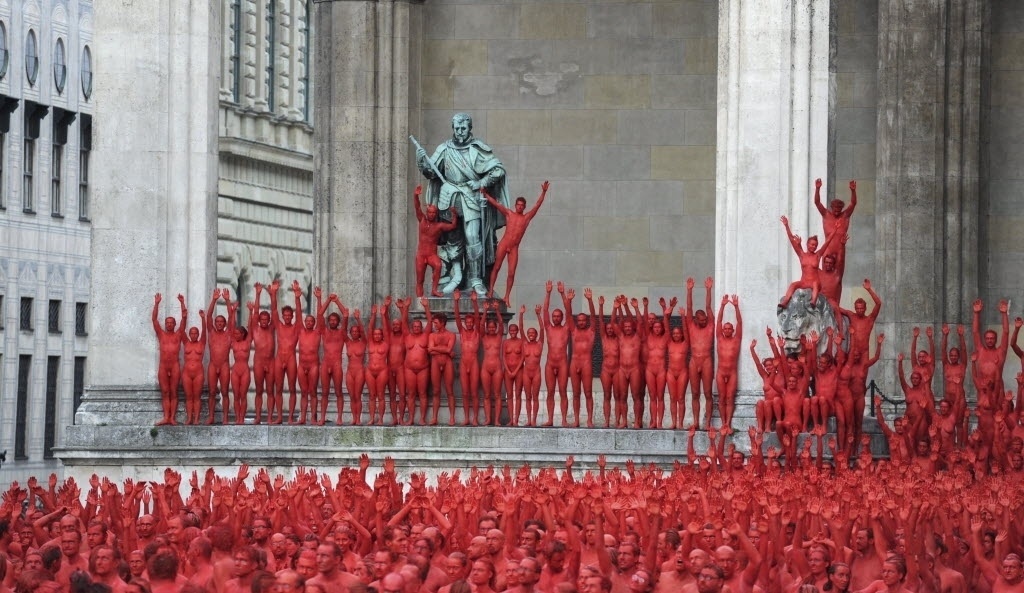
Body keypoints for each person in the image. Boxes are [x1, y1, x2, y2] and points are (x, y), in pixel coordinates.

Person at [415, 113, 512, 296]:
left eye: (463, 128)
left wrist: (480, 183)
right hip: (448, 196)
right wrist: (421, 161)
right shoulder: (444, 148)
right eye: (457, 128)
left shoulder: (478, 148)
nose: (460, 132)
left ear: (469, 128)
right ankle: (456, 276)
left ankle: (475, 279)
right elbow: (431, 172)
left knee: (472, 237)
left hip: (470, 196)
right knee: (453, 239)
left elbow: (498, 170)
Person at [482, 181, 549, 306]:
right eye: (518, 205)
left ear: (524, 207)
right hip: (504, 244)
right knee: (496, 267)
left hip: (514, 248)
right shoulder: (509, 214)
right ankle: (490, 290)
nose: (519, 207)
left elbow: (537, 205)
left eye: (521, 205)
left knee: (511, 273)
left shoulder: (526, 218)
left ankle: (507, 296)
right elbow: (496, 204)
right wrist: (485, 195)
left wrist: (544, 192)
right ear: (515, 205)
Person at [780, 215, 840, 309]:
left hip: (814, 283)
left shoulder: (818, 255)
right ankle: (785, 301)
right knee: (793, 284)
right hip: (804, 282)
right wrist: (787, 225)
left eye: (815, 245)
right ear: (807, 244)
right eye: (812, 244)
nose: (814, 247)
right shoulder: (801, 255)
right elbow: (792, 240)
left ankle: (813, 301)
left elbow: (827, 242)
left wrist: (835, 230)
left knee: (816, 284)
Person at [413, 185, 459, 298]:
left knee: (438, 265)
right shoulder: (422, 220)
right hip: (421, 254)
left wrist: (454, 214)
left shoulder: (439, 226)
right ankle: (420, 299)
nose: (431, 214)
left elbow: (453, 226)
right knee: (420, 280)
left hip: (431, 254)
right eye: (430, 212)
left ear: (436, 214)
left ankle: (434, 290)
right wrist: (415, 196)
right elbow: (417, 207)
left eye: (434, 213)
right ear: (427, 212)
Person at [270, 280, 304, 424]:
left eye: (290, 315)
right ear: (283, 316)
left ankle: (290, 416)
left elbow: (300, 314)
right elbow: (273, 310)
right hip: (279, 358)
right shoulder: (278, 325)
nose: (288, 317)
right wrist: (274, 293)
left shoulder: (296, 327)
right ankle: (279, 416)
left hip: (290, 358)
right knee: (278, 388)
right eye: (286, 315)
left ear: (292, 316)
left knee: (291, 388)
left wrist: (297, 297)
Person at [566, 288, 599, 428]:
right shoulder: (573, 331)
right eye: (578, 320)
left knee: (588, 393)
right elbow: (568, 315)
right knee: (576, 393)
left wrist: (590, 300)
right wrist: (569, 301)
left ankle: (590, 419)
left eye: (583, 320)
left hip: (586, 363)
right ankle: (577, 419)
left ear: (586, 321)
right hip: (574, 363)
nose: (581, 322)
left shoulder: (591, 331)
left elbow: (593, 316)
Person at [152, 293, 186, 426]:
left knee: (174, 391)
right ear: (165, 324)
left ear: (174, 324)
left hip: (175, 365)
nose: (169, 324)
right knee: (165, 392)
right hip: (163, 366)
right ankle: (166, 417)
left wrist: (182, 303)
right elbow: (154, 320)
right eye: (167, 323)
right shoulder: (161, 334)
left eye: (172, 323)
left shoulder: (178, 334)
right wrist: (157, 304)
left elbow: (184, 319)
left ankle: (172, 417)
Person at [685, 278, 715, 430]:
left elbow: (708, 306)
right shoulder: (691, 325)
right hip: (694, 360)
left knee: (708, 393)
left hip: (706, 360)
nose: (704, 322)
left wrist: (708, 289)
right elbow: (689, 308)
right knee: (695, 393)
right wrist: (689, 290)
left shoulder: (710, 325)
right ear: (696, 319)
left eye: (705, 320)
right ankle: (696, 421)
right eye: (701, 320)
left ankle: (708, 422)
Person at [542, 281, 572, 427]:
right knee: (550, 392)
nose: (555, 318)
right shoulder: (548, 328)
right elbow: (545, 311)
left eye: (558, 316)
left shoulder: (566, 328)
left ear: (561, 318)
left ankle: (564, 419)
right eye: (554, 316)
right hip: (550, 363)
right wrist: (548, 293)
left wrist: (562, 294)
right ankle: (550, 419)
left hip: (562, 363)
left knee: (563, 391)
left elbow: (569, 312)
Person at [643, 298, 674, 429]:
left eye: (658, 327)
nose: (656, 329)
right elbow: (645, 322)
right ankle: (653, 421)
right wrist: (646, 306)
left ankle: (660, 422)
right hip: (650, 369)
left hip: (661, 370)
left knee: (660, 396)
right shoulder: (648, 336)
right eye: (654, 327)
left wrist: (665, 309)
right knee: (652, 396)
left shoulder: (665, 338)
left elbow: (667, 326)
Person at [453, 292, 483, 426]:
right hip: (464, 362)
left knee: (474, 393)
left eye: (471, 322)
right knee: (465, 393)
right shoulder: (462, 331)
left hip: (474, 362)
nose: (470, 324)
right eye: (468, 322)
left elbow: (478, 317)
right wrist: (456, 302)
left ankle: (475, 418)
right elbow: (457, 317)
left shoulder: (477, 332)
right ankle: (466, 417)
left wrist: (475, 302)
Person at [295, 289, 324, 425]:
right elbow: (299, 314)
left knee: (312, 392)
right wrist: (297, 298)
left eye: (311, 321)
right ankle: (302, 417)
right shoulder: (300, 331)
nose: (309, 323)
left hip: (313, 365)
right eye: (307, 321)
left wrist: (319, 298)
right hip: (302, 365)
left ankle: (313, 417)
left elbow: (320, 315)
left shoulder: (317, 332)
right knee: (304, 392)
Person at [972, 299, 1010, 401]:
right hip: (983, 390)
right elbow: (975, 332)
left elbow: (1006, 332)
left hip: (998, 390)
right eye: (987, 338)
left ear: (996, 339)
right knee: (983, 415)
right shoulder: (980, 351)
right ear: (984, 339)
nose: (989, 340)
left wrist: (1004, 314)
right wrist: (976, 313)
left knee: (999, 415)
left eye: (992, 338)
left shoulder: (1000, 352)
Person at [318, 293, 346, 426]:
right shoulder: (324, 331)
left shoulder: (341, 333)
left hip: (336, 364)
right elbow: (319, 314)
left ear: (338, 322)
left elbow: (345, 314)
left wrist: (337, 300)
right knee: (324, 392)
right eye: (331, 320)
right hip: (325, 363)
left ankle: (340, 417)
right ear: (329, 321)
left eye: (335, 320)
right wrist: (328, 300)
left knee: (339, 391)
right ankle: (322, 417)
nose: (333, 322)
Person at [426, 303, 456, 426]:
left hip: (447, 362)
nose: (434, 325)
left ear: (442, 323)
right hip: (435, 362)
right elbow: (429, 349)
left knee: (449, 390)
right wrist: (445, 350)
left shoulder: (451, 335)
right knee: (436, 391)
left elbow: (449, 348)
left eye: (436, 323)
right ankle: (434, 417)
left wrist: (436, 348)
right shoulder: (432, 335)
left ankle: (452, 417)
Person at [205, 289, 233, 425]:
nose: (220, 324)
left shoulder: (228, 334)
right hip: (213, 364)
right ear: (215, 324)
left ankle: (226, 417)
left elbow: (232, 317)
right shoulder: (211, 332)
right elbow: (208, 316)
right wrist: (214, 300)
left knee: (225, 391)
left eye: (222, 322)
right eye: (218, 322)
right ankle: (211, 416)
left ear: (225, 324)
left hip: (224, 365)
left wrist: (227, 300)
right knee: (211, 392)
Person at [813, 178, 857, 261]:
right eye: (835, 211)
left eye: (838, 211)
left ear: (841, 209)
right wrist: (817, 189)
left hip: (840, 250)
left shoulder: (845, 215)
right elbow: (817, 202)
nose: (836, 213)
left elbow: (853, 203)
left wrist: (853, 191)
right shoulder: (826, 214)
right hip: (828, 250)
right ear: (831, 208)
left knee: (838, 274)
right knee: (826, 273)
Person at [251, 283, 276, 425]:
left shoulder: (272, 328)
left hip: (271, 362)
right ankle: (258, 416)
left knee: (270, 391)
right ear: (259, 321)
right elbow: (255, 312)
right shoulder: (255, 329)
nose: (265, 321)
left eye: (267, 319)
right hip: (259, 362)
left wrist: (272, 295)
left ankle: (270, 417)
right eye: (262, 319)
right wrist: (258, 294)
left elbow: (274, 310)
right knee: (259, 390)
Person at [715, 295, 742, 430]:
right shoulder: (719, 338)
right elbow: (718, 321)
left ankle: (728, 423)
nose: (726, 330)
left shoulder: (736, 339)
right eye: (725, 329)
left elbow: (739, 323)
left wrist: (736, 307)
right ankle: (722, 422)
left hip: (731, 372)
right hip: (720, 372)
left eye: (729, 329)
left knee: (730, 398)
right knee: (721, 398)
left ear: (732, 330)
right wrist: (722, 306)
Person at [597, 296, 622, 429]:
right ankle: (606, 421)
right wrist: (601, 306)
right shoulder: (603, 338)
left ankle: (617, 421)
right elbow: (600, 321)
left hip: (617, 370)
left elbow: (615, 322)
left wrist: (615, 308)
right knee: (607, 395)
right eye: (608, 328)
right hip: (606, 370)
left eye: (612, 328)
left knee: (618, 396)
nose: (610, 330)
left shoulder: (619, 339)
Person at [479, 300, 505, 427]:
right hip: (486, 367)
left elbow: (501, 323)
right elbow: (481, 324)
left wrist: (497, 310)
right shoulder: (484, 337)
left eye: (493, 327)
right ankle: (488, 418)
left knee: (497, 394)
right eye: (489, 327)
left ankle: (497, 420)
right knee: (487, 395)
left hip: (497, 367)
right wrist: (484, 311)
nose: (491, 329)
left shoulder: (499, 336)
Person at [181, 304, 207, 426]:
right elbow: (181, 330)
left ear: (198, 334)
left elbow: (205, 332)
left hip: (198, 372)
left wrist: (203, 318)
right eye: (191, 333)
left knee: (197, 397)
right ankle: (189, 418)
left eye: (195, 333)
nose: (193, 335)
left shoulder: (201, 343)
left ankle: (196, 418)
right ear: (189, 334)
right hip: (186, 372)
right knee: (189, 397)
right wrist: (183, 315)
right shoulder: (186, 342)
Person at [366, 302, 392, 425]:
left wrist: (383, 315)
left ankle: (381, 419)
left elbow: (386, 329)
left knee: (381, 395)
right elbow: (370, 329)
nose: (376, 335)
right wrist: (373, 315)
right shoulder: (370, 342)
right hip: (370, 370)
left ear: (382, 335)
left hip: (382, 370)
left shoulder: (385, 343)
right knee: (372, 395)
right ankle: (372, 418)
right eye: (375, 334)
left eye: (378, 334)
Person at [343, 308, 368, 426]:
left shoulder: (363, 342)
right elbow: (343, 331)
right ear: (350, 333)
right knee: (352, 396)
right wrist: (345, 317)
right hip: (349, 371)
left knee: (358, 395)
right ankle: (354, 418)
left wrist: (358, 319)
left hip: (359, 371)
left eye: (356, 331)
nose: (354, 333)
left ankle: (358, 418)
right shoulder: (348, 343)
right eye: (352, 332)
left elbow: (363, 332)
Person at [502, 307, 526, 427]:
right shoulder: (505, 343)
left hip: (519, 370)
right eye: (510, 331)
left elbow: (522, 357)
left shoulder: (521, 342)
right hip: (508, 371)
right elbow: (503, 357)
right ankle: (511, 419)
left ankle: (516, 419)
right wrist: (507, 370)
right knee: (509, 395)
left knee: (518, 395)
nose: (512, 333)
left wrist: (516, 370)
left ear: (516, 331)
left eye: (514, 331)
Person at [522, 308, 545, 427]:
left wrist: (538, 315)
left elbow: (542, 329)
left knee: (535, 397)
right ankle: (529, 419)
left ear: (536, 335)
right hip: (526, 373)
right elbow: (520, 329)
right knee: (527, 397)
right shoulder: (525, 344)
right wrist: (521, 315)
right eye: (529, 333)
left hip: (536, 373)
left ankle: (534, 420)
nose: (531, 335)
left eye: (533, 333)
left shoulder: (540, 343)